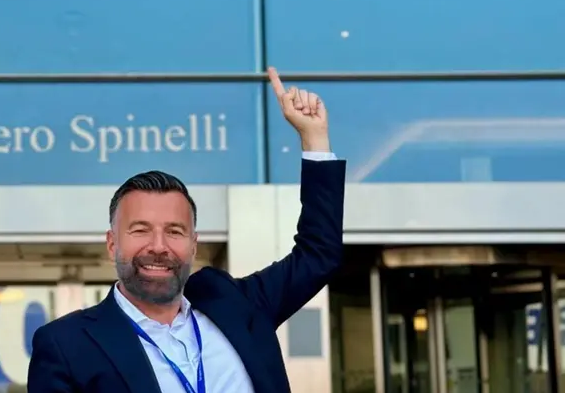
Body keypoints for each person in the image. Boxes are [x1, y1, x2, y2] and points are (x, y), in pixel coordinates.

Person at [26, 67, 346, 393]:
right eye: (140, 230)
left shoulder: (233, 302)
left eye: (175, 231)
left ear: (194, 245)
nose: (158, 246)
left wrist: (314, 138)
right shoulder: (66, 344)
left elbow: (319, 255)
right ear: (112, 244)